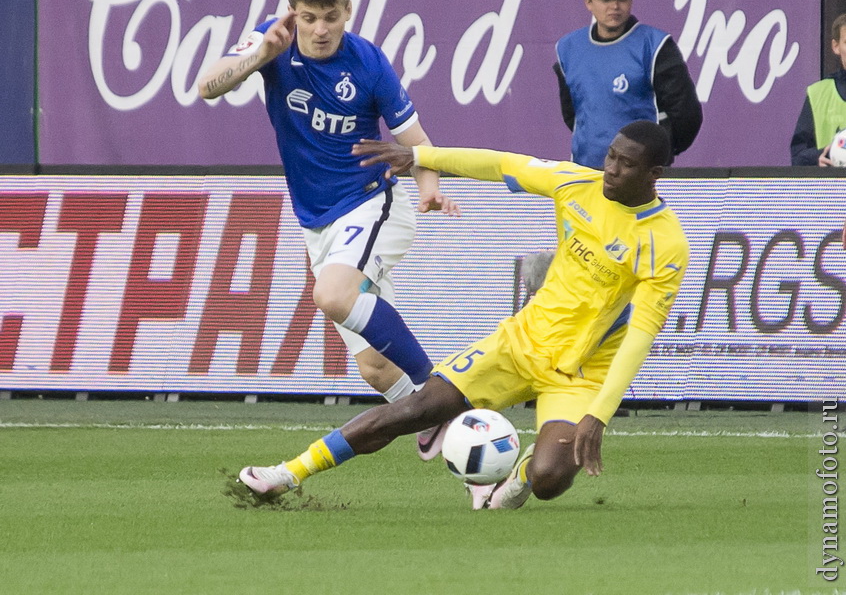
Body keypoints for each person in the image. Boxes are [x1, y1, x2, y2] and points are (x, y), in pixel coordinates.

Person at [238, 120, 689, 510]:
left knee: (551, 480)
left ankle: (517, 479)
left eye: (626, 164)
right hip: (517, 345)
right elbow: (498, 163)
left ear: (654, 174)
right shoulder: (576, 184)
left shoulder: (665, 244)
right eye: (610, 156)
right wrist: (418, 154)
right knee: (415, 410)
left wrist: (600, 414)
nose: (611, 168)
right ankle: (289, 473)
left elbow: (640, 336)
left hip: (581, 372)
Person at [198, 0, 458, 457]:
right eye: (309, 17)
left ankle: (441, 397)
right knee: (376, 369)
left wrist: (428, 186)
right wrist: (259, 56)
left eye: (331, 17)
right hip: (318, 224)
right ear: (292, 12)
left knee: (333, 294)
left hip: (371, 203)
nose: (320, 30)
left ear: (348, 12)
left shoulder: (369, 63)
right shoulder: (271, 42)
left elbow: (417, 142)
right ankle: (444, 435)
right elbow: (205, 87)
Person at [553, 0, 702, 169]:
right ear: (588, 2)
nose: (615, 6)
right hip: (585, 171)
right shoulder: (568, 48)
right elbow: (573, 113)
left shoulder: (655, 45)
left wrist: (659, 156)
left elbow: (686, 114)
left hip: (639, 176)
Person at [790, 12, 846, 165]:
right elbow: (797, 155)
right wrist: (819, 157)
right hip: (830, 186)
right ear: (836, 46)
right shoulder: (818, 94)